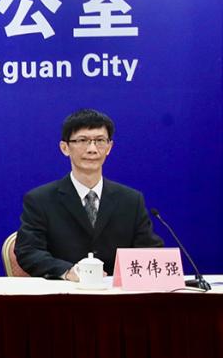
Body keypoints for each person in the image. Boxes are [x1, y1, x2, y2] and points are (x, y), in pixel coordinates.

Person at [15, 108, 163, 280]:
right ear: (65, 148)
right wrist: (67, 271)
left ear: (109, 147)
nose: (92, 149)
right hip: (65, 291)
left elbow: (150, 251)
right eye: (83, 140)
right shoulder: (40, 199)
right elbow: (28, 251)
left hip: (116, 293)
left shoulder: (131, 200)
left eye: (100, 140)